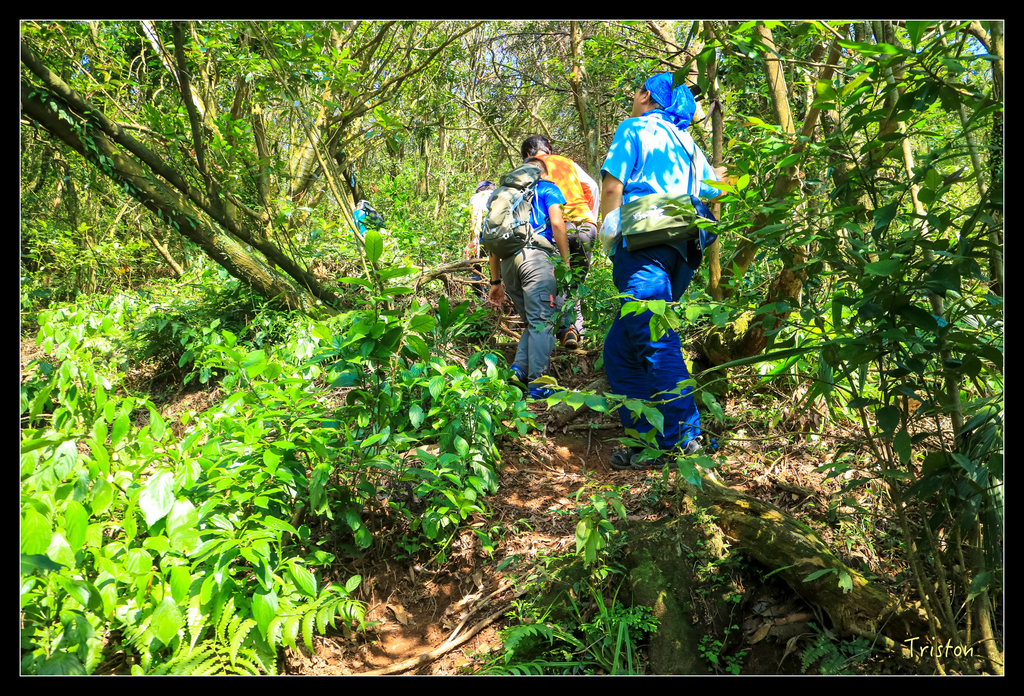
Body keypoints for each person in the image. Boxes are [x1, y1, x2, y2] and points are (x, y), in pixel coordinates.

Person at [599, 72, 730, 469]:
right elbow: (716, 189)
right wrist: (719, 176)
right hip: (683, 251)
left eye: (636, 91)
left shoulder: (634, 128)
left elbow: (612, 187)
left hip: (643, 243)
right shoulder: (687, 143)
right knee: (620, 350)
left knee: (655, 337)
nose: (632, 97)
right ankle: (647, 440)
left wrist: (609, 234)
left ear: (646, 96)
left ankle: (683, 439)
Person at [486, 158, 569, 400]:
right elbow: (557, 223)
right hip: (536, 259)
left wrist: (495, 282)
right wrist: (565, 262)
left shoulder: (503, 195)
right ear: (542, 173)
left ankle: (518, 371)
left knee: (535, 323)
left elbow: (492, 241)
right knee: (544, 321)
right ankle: (540, 386)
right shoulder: (546, 188)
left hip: (508, 264)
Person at [520, 135, 599, 349]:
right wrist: (590, 217)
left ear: (528, 153)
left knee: (558, 281)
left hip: (556, 228)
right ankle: (578, 330)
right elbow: (592, 187)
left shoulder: (532, 167)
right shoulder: (568, 163)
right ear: (548, 149)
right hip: (585, 224)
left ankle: (565, 330)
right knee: (578, 281)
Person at [466, 181, 496, 298]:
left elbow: (474, 214)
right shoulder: (499, 195)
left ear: (479, 190)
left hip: (482, 235)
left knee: (474, 263)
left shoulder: (478, 196)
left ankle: (480, 295)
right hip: (499, 235)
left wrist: (474, 239)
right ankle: (500, 293)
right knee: (498, 264)